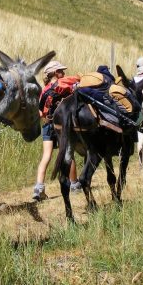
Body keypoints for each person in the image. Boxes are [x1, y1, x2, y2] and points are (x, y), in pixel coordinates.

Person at [32, 60, 81, 201]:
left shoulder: (44, 90)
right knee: (67, 153)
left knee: (46, 156)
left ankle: (39, 187)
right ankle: (74, 184)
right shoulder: (63, 85)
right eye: (61, 71)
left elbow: (40, 112)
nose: (63, 73)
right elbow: (76, 85)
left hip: (47, 125)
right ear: (54, 73)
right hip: (61, 126)